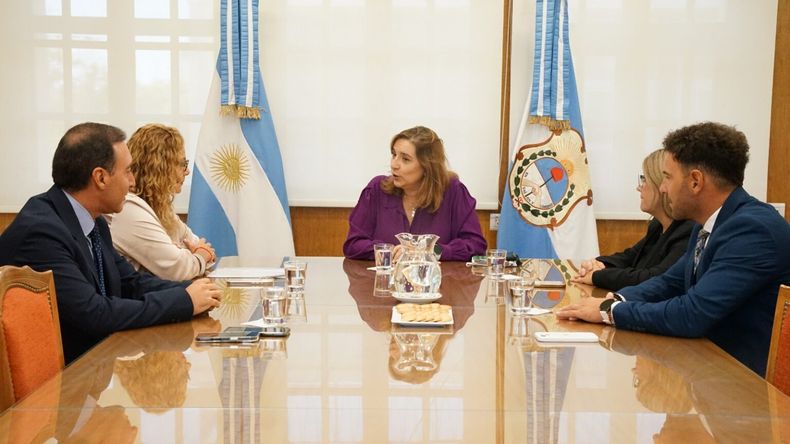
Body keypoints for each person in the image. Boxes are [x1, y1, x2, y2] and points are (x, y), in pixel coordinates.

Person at [556, 121, 790, 376]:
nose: (663, 187)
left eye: (667, 177)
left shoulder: (752, 230)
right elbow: (670, 282)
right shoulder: (711, 223)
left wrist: (609, 312)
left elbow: (692, 313)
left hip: (747, 385)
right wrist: (617, 299)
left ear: (695, 181)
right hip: (708, 367)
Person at [0, 122, 222, 363]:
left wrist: (194, 292)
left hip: (94, 366)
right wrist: (184, 301)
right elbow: (94, 314)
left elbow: (130, 283)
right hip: (61, 383)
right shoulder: (42, 232)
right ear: (100, 178)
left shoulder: (94, 223)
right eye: (127, 171)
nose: (133, 182)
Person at [343, 126, 487, 261]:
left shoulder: (453, 192)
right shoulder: (377, 190)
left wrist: (434, 251)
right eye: (394, 155)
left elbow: (475, 245)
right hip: (385, 283)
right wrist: (391, 251)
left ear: (427, 166)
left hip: (439, 284)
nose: (394, 164)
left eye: (405, 159)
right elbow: (353, 244)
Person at [572, 149, 694, 291]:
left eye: (645, 180)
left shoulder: (688, 230)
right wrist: (597, 264)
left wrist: (597, 276)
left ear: (660, 185)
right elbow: (629, 257)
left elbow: (653, 278)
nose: (639, 187)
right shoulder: (657, 225)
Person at [107, 124, 216, 281]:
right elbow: (178, 269)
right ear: (160, 167)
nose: (187, 171)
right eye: (182, 164)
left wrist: (195, 255)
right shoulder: (127, 207)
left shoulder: (160, 206)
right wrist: (199, 255)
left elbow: (203, 250)